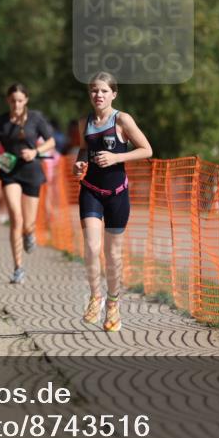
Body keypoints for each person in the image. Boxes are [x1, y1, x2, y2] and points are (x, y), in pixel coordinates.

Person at [74, 72, 152, 332]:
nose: (98, 95)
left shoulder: (122, 120)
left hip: (117, 194)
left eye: (104, 91)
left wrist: (117, 158)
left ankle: (114, 304)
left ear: (113, 94)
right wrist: (79, 163)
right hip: (91, 191)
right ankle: (96, 297)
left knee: (113, 254)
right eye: (94, 90)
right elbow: (83, 148)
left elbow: (147, 150)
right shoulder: (83, 122)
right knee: (91, 247)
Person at [0, 84, 56, 284]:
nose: (16, 104)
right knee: (15, 218)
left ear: (26, 100)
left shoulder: (35, 119)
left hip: (32, 171)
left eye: (20, 100)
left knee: (28, 223)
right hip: (10, 171)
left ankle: (29, 233)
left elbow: (51, 141)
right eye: (12, 100)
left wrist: (36, 151)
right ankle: (18, 267)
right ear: (8, 101)